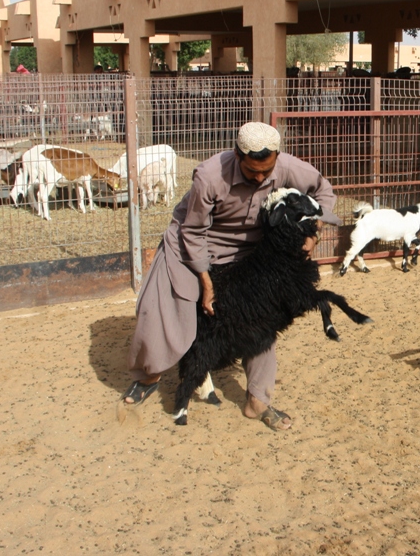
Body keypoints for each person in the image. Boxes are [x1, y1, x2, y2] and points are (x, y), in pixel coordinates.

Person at [121, 121, 341, 431]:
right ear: (237, 155)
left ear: (277, 156)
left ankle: (257, 400)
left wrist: (312, 236)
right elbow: (193, 228)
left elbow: (324, 192)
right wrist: (206, 281)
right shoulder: (210, 175)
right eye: (253, 171)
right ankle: (149, 375)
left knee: (262, 316)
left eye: (267, 171)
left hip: (247, 248)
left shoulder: (289, 166)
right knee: (163, 307)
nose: (261, 178)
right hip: (193, 242)